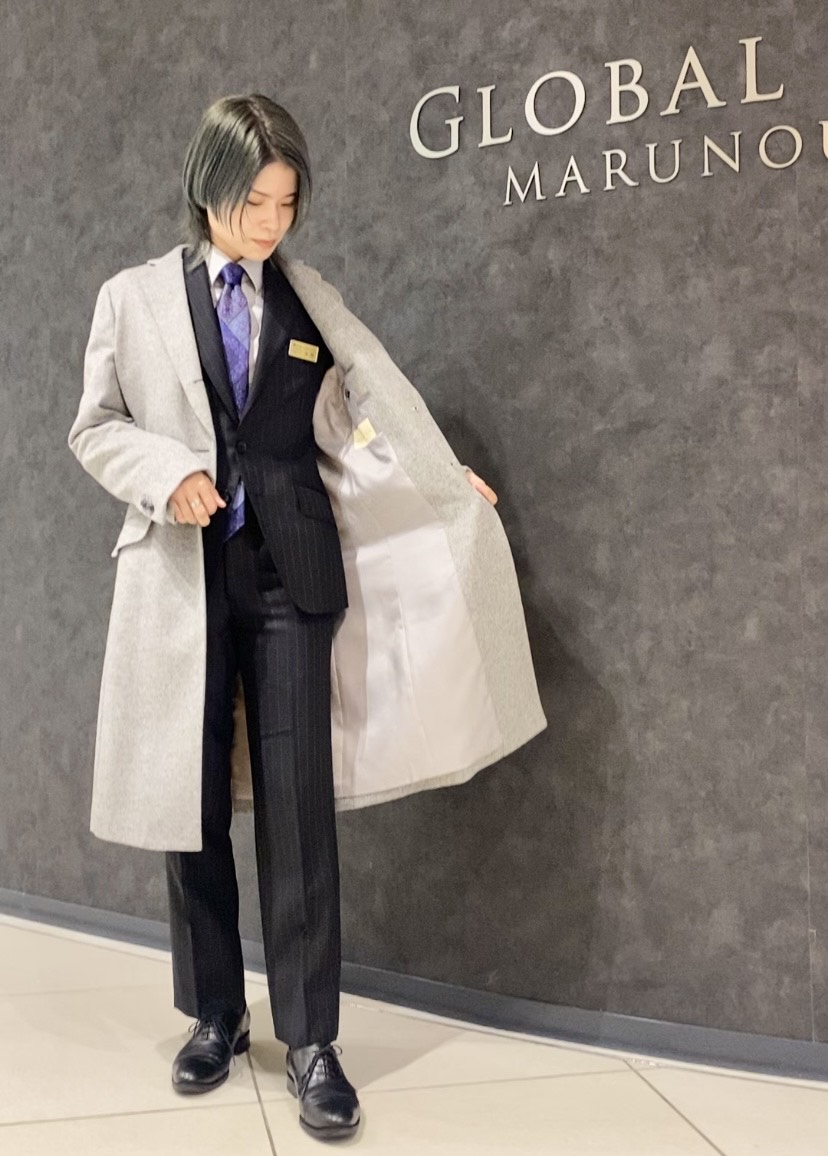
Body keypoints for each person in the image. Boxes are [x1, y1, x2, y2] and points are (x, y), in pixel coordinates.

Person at [69, 93, 546, 1142]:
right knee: (189, 806)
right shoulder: (132, 299)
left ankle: (313, 1041)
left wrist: (441, 479)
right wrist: (166, 472)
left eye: (287, 203)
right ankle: (216, 1014)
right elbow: (94, 426)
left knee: (299, 811)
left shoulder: (308, 296)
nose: (272, 221)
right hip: (182, 579)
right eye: (256, 202)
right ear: (209, 189)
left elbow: (363, 408)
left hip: (292, 579)